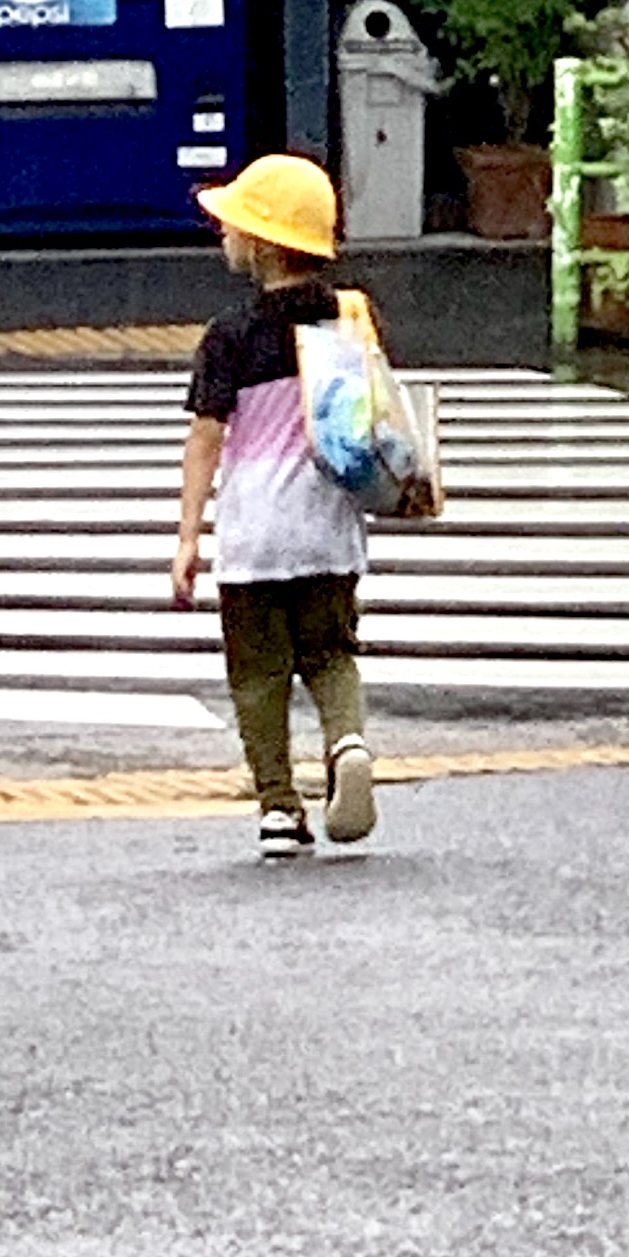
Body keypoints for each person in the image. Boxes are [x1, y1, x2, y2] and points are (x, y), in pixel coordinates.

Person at [172, 154, 378, 861]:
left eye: (231, 224)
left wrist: (187, 536)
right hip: (327, 524)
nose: (222, 234)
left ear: (259, 243)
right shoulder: (345, 318)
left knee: (257, 674)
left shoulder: (229, 335)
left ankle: (278, 808)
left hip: (255, 535)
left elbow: (206, 437)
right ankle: (346, 740)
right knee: (330, 653)